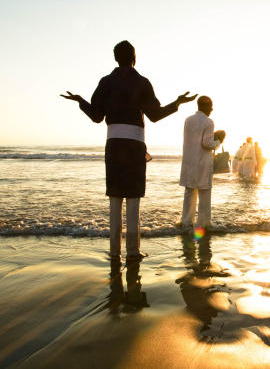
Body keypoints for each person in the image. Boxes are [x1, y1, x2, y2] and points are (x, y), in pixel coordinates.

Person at [60, 40, 197, 261]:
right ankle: (133, 252)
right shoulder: (142, 82)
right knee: (133, 198)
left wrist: (80, 101)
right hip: (134, 146)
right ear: (134, 57)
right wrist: (177, 103)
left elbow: (96, 116)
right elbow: (155, 115)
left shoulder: (106, 82)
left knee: (115, 198)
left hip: (113, 145)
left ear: (115, 58)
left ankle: (115, 252)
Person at [179, 96, 225, 232]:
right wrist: (219, 141)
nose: (212, 109)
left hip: (188, 162)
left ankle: (186, 223)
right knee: (204, 194)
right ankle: (203, 224)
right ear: (206, 106)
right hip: (202, 164)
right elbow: (206, 144)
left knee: (189, 193)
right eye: (211, 106)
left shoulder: (188, 120)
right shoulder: (208, 122)